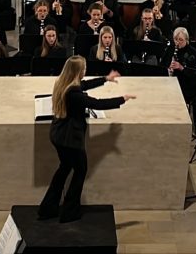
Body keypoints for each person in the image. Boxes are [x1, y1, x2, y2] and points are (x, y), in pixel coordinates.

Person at [38, 57, 134, 222]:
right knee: (80, 170)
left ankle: (48, 208)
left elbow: (84, 85)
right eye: (83, 69)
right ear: (77, 72)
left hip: (58, 134)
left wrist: (105, 79)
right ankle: (69, 211)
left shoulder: (63, 83)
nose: (85, 72)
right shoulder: (74, 94)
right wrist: (122, 99)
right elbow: (97, 103)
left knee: (64, 168)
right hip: (70, 139)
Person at [167, 27, 196, 105]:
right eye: (175, 39)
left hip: (187, 84)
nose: (177, 42)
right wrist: (168, 68)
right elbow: (162, 65)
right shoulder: (170, 49)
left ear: (186, 40)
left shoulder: (193, 53)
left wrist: (181, 68)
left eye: (180, 40)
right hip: (171, 81)